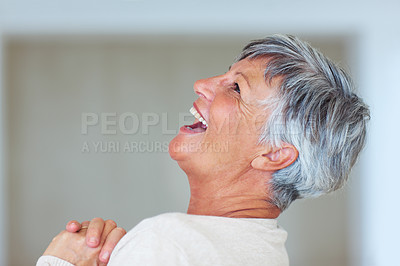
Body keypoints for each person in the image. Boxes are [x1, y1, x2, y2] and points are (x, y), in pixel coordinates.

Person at [37, 34, 370, 266]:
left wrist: (59, 262)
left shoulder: (170, 243)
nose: (203, 84)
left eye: (236, 88)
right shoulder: (265, 253)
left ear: (273, 154)